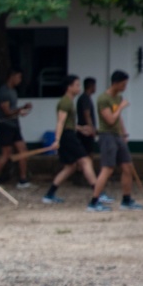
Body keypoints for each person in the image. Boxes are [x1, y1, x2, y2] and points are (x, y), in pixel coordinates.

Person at [87, 70, 142, 212]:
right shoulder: (103, 99)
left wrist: (124, 133)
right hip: (107, 136)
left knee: (127, 166)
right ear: (115, 83)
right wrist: (121, 107)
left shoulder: (118, 98)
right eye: (123, 84)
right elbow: (110, 120)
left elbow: (118, 118)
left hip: (118, 136)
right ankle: (94, 201)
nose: (125, 87)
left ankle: (126, 200)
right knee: (108, 168)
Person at [41, 75, 99, 204]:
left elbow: (68, 123)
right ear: (69, 87)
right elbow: (60, 122)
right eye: (77, 85)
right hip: (67, 136)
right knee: (86, 161)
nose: (79, 88)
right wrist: (56, 140)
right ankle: (97, 195)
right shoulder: (65, 102)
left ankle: (49, 195)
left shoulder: (69, 102)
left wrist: (81, 128)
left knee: (70, 167)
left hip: (68, 134)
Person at [0, 68, 33, 188]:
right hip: (5, 126)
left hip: (14, 125)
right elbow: (7, 112)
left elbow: (13, 109)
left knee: (23, 151)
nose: (20, 80)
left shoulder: (13, 91)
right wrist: (19, 110)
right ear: (12, 76)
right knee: (6, 154)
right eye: (19, 77)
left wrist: (22, 108)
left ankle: (22, 180)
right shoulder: (4, 92)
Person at [76, 77, 98, 158]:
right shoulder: (85, 98)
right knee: (88, 154)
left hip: (84, 130)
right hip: (86, 131)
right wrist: (91, 128)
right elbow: (87, 114)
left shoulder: (84, 98)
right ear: (91, 86)